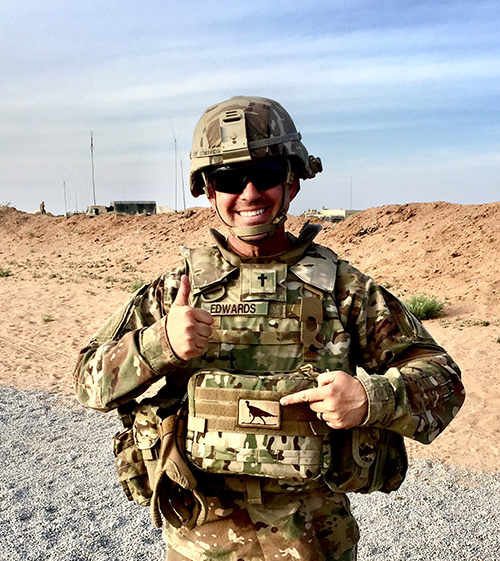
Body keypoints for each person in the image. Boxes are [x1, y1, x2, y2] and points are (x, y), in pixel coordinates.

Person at [73, 96, 465, 561]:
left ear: (293, 181)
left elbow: (443, 378)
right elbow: (87, 382)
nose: (250, 192)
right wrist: (160, 345)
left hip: (315, 540)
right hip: (200, 542)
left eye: (268, 174)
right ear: (207, 189)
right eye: (230, 178)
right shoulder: (175, 290)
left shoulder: (343, 288)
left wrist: (371, 398)